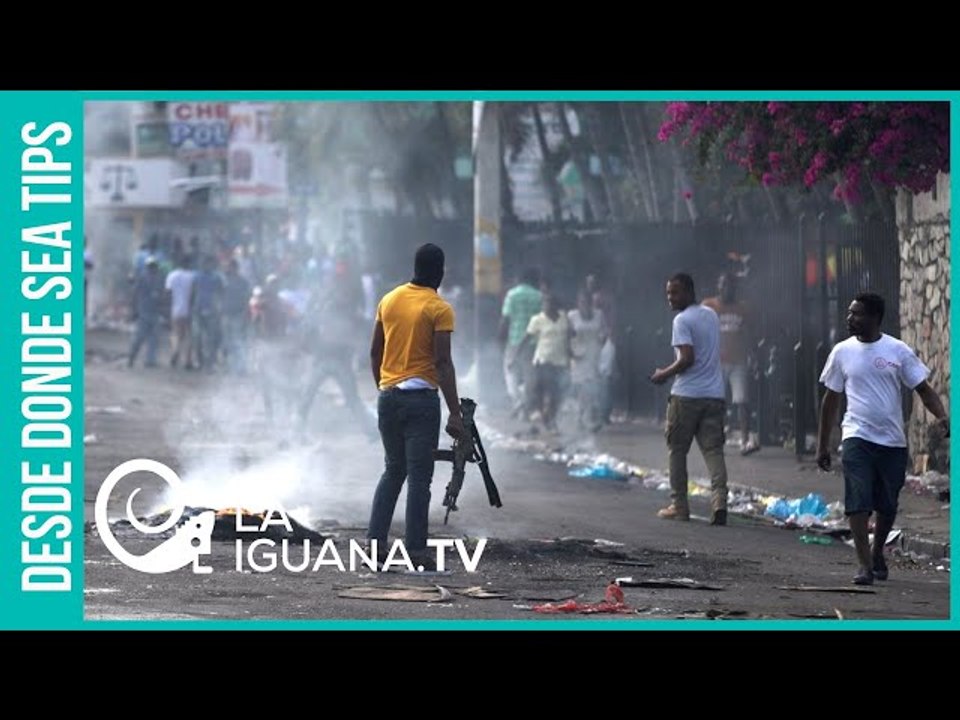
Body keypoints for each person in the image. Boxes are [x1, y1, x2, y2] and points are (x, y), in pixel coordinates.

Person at [816, 292, 949, 586]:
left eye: (857, 314)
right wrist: (822, 445)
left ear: (875, 318)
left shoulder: (897, 350)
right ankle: (863, 565)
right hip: (856, 436)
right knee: (858, 500)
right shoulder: (841, 352)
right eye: (849, 313)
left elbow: (923, 389)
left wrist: (941, 416)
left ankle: (877, 553)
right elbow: (830, 400)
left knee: (887, 504)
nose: (850, 318)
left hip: (892, 441)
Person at [367, 243, 465, 570]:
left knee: (393, 470)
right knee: (419, 479)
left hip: (388, 397)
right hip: (421, 401)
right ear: (440, 271)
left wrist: (384, 388)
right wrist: (455, 412)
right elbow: (442, 362)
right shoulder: (439, 308)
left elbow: (375, 352)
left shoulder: (389, 300)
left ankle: (375, 546)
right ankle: (416, 552)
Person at [650, 273, 728, 525]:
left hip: (686, 396)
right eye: (668, 293)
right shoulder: (711, 315)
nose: (670, 298)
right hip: (714, 395)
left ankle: (679, 506)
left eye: (675, 292)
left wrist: (663, 374)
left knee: (677, 450)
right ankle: (720, 502)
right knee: (714, 451)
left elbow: (686, 358)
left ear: (689, 292)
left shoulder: (681, 320)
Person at [702, 272, 760, 455]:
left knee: (742, 401)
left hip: (738, 360)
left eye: (730, 285)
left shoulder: (743, 308)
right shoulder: (708, 306)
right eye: (724, 285)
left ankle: (744, 440)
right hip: (716, 361)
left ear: (735, 288)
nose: (727, 289)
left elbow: (749, 332)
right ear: (718, 286)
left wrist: (753, 355)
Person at [499, 268, 542, 418]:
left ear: (519, 279)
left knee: (510, 371)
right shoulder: (538, 296)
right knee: (530, 374)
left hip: (514, 339)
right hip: (532, 341)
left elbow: (505, 318)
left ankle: (518, 401)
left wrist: (500, 337)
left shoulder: (512, 294)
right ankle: (526, 403)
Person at [127, 256, 164, 368]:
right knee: (139, 337)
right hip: (143, 311)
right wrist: (133, 310)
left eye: (154, 266)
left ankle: (150, 360)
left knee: (154, 338)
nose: (153, 268)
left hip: (154, 312)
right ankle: (131, 357)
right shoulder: (142, 278)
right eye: (151, 266)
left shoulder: (159, 279)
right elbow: (135, 294)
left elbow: (161, 295)